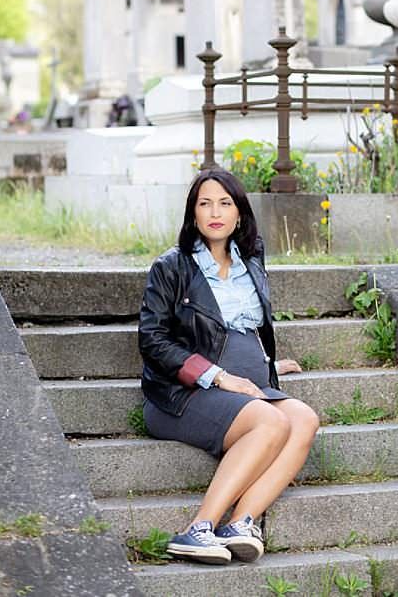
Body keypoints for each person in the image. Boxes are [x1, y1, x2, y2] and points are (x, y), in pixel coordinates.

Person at [138, 167, 320, 564]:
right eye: (205, 203)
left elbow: (248, 327)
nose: (215, 212)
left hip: (246, 390)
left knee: (304, 419)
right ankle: (197, 528)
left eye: (225, 203)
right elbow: (153, 341)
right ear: (193, 213)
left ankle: (240, 523)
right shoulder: (172, 266)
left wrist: (267, 365)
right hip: (183, 394)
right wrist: (219, 374)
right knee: (271, 422)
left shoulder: (251, 258)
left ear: (239, 213)